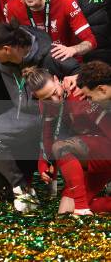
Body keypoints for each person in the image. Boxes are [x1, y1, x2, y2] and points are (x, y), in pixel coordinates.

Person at [0, 20, 80, 212]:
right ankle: (22, 189)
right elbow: (7, 98)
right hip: (25, 114)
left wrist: (77, 75)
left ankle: (76, 188)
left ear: (7, 49)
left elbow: (81, 72)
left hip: (57, 111)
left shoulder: (51, 54)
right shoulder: (3, 62)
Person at [24, 66, 111, 215]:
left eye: (54, 93)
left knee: (61, 147)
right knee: (65, 213)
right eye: (46, 98)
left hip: (104, 147)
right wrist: (44, 161)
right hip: (89, 157)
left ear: (57, 80)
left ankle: (81, 207)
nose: (54, 100)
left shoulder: (79, 92)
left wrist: (78, 77)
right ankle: (86, 207)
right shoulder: (46, 104)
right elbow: (47, 135)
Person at [6, 0, 97, 60]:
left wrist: (72, 50)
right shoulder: (13, 6)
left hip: (66, 63)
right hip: (36, 66)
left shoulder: (65, 2)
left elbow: (90, 41)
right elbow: (14, 42)